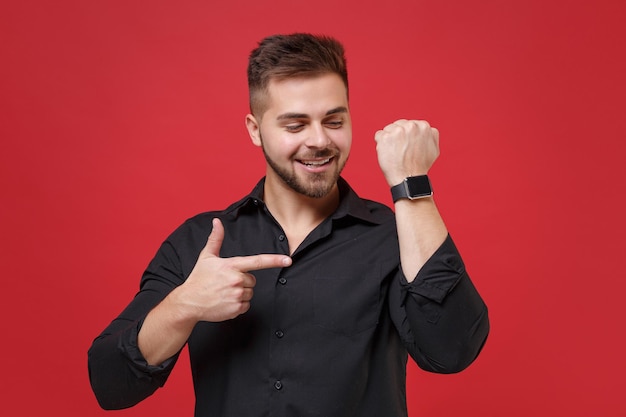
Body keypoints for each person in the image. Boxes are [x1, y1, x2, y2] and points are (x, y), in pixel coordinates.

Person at [88, 33, 489, 417]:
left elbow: (452, 351)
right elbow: (110, 384)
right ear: (254, 130)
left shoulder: (396, 238)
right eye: (295, 125)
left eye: (334, 121)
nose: (319, 141)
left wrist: (411, 183)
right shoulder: (197, 243)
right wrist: (183, 307)